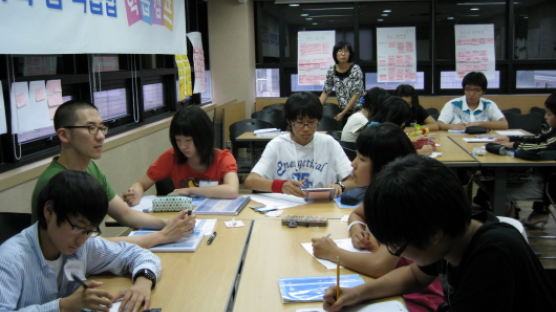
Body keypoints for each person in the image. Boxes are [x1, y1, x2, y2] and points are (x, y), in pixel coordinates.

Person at [322, 155, 556, 312]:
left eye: (399, 247)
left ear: (433, 235)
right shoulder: (452, 236)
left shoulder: (493, 257)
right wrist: (354, 294)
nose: (398, 254)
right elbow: (413, 276)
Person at [312, 124, 444, 312]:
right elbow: (357, 213)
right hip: (388, 288)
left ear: (385, 166)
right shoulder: (381, 194)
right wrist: (356, 227)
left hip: (413, 299)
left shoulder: (404, 201)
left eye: (362, 159)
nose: (353, 163)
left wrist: (332, 252)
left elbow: (379, 266)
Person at [31, 100, 195, 249]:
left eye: (101, 128)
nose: (101, 136)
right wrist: (162, 236)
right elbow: (88, 245)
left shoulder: (90, 168)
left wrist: (169, 224)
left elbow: (124, 213)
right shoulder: (56, 182)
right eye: (91, 128)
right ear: (64, 135)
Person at [0, 170, 161, 312]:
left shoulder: (83, 244)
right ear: (49, 211)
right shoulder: (10, 260)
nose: (82, 240)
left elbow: (136, 254)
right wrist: (63, 307)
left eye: (89, 231)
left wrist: (143, 282)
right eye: (77, 227)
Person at [244, 92, 355, 197]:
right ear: (289, 121)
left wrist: (340, 186)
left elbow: (354, 179)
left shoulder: (329, 143)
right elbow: (250, 181)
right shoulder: (277, 145)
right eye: (300, 123)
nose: (306, 129)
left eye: (311, 123)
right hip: (285, 206)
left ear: (318, 121)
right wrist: (281, 186)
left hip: (321, 204)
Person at [124, 106, 239, 205]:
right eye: (178, 140)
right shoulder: (171, 157)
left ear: (203, 137)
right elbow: (141, 184)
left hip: (218, 215)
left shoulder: (223, 158)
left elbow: (232, 190)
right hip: (183, 217)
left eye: (188, 140)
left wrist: (189, 191)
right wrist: (135, 192)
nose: (182, 146)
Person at [492, 91, 556, 227]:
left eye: (549, 114)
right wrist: (512, 139)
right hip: (544, 177)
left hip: (548, 184)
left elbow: (541, 148)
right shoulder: (552, 129)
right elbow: (539, 139)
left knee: (495, 187)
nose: (545, 117)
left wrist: (515, 147)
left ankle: (508, 221)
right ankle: (533, 212)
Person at [437, 71, 508, 130]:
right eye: (468, 89)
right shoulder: (452, 104)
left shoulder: (489, 105)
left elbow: (504, 124)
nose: (471, 94)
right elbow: (439, 124)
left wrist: (479, 124)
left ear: (483, 92)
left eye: (476, 90)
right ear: (464, 90)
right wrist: (452, 126)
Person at [319, 41, 365, 122]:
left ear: (350, 54)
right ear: (335, 54)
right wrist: (316, 110)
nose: (343, 54)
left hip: (360, 110)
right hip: (342, 110)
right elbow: (326, 91)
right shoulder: (331, 70)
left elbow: (356, 94)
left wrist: (343, 113)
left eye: (346, 51)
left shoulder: (356, 69)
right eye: (340, 51)